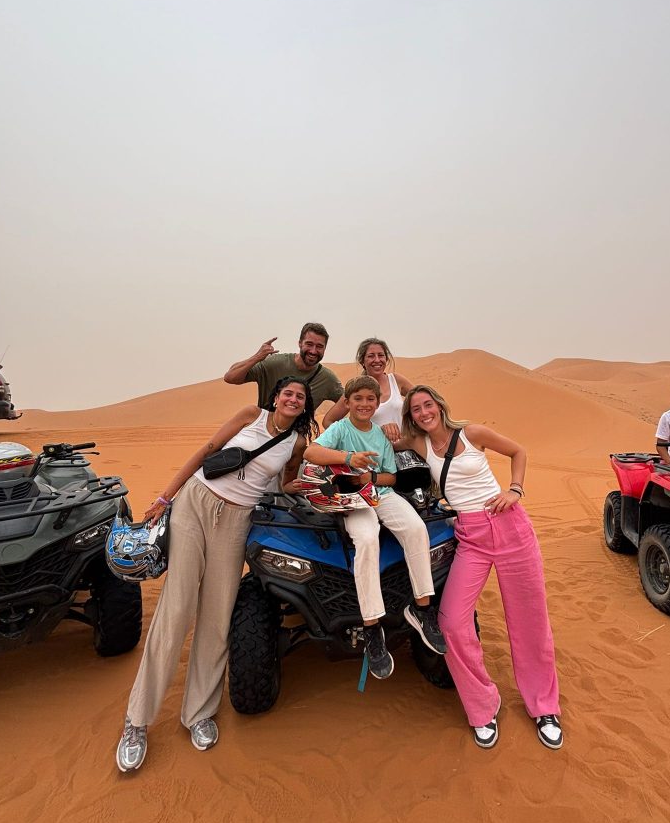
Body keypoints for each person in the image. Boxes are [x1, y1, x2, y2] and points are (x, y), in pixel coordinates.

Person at [115, 378, 317, 773]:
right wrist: (165, 496)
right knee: (177, 608)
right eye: (287, 394)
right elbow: (206, 451)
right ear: (276, 397)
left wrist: (314, 485)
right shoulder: (249, 417)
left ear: (304, 406)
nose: (293, 400)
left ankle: (199, 713)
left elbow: (285, 482)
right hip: (197, 503)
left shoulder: (296, 444)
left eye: (300, 397)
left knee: (218, 613)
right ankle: (136, 722)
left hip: (238, 521)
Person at [398, 384, 562, 751]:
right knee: (452, 623)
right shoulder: (418, 444)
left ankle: (544, 707)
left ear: (439, 406)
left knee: (530, 621)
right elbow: (372, 439)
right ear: (412, 417)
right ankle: (482, 706)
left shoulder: (472, 433)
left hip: (510, 526)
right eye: (417, 409)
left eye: (429, 405)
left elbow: (518, 450)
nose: (424, 413)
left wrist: (515, 489)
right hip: (470, 536)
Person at [303, 375, 446, 680]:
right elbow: (310, 453)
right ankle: (372, 627)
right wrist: (349, 458)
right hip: (351, 499)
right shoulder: (341, 429)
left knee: (416, 529)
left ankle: (423, 609)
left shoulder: (381, 436)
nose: (365, 404)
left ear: (377, 403)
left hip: (380, 494)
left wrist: (371, 479)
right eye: (358, 399)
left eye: (370, 399)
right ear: (348, 402)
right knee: (367, 540)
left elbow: (391, 478)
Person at [224, 322, 343, 412]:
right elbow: (231, 377)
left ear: (325, 349)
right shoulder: (274, 363)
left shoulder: (328, 379)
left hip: (294, 439)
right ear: (300, 343)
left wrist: (330, 423)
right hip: (261, 432)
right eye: (309, 344)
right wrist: (257, 357)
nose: (313, 351)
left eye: (319, 346)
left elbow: (349, 403)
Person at [322, 337, 413, 442]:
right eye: (371, 356)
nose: (377, 360)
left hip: (404, 449)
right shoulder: (356, 388)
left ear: (386, 359)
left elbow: (422, 399)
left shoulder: (396, 380)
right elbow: (328, 421)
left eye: (381, 355)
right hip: (375, 453)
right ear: (362, 361)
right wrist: (353, 439)